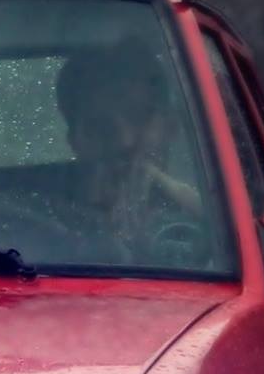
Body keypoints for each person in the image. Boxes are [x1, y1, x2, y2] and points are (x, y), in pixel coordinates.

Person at [53, 43, 200, 241]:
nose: (125, 141)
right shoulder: (41, 222)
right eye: (99, 126)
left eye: (139, 117)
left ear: (171, 127)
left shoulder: (215, 225)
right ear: (75, 141)